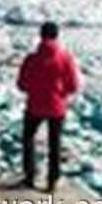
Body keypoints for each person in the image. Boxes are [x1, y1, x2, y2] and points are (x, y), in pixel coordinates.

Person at [16, 21, 80, 192]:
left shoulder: (31, 59)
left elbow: (21, 83)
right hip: (56, 106)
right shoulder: (65, 58)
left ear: (41, 35)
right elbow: (73, 85)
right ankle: (52, 181)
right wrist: (60, 94)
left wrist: (34, 90)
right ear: (57, 36)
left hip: (34, 106)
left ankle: (30, 177)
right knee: (55, 143)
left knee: (28, 139)